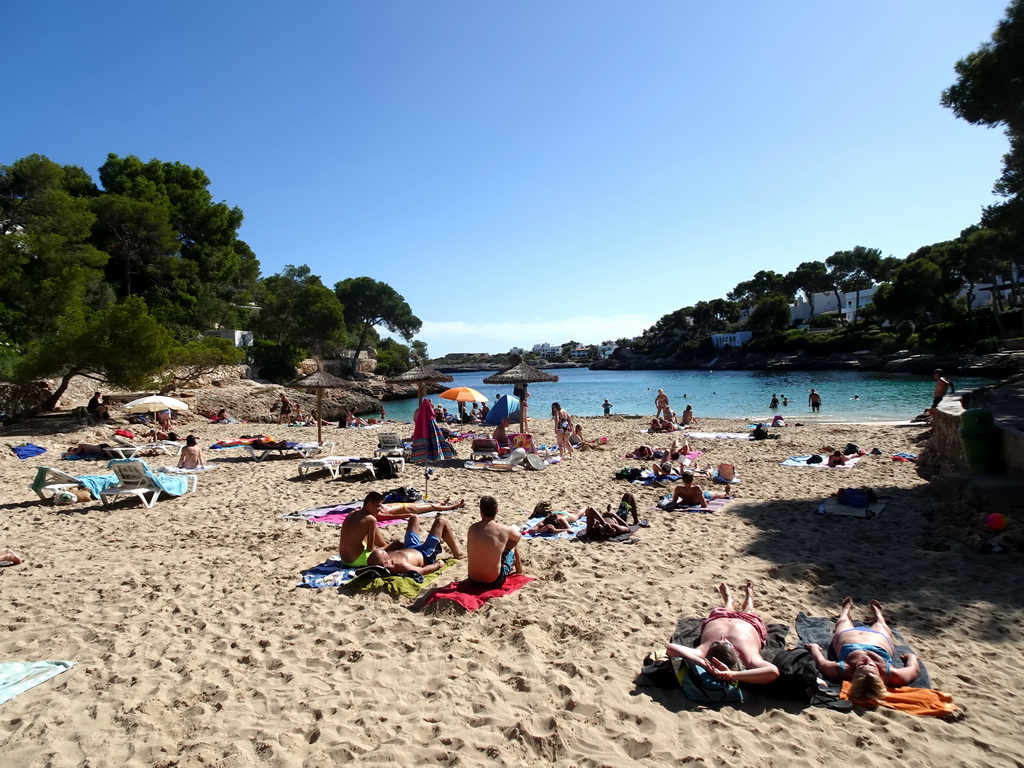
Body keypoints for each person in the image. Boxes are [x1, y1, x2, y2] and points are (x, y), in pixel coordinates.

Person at [805, 598, 920, 704]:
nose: (866, 660)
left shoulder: (843, 670)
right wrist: (911, 657)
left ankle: (846, 610)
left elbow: (821, 662)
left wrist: (814, 647)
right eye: (870, 665)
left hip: (848, 638)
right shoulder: (892, 675)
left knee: (842, 621)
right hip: (878, 639)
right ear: (879, 676)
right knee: (881, 624)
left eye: (861, 666)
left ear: (853, 675)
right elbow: (913, 670)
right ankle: (878, 615)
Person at [666, 582, 780, 684]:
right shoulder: (748, 657)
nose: (722, 638)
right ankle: (749, 598)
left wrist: (705, 664)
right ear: (735, 654)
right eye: (727, 644)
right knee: (749, 610)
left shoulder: (704, 652)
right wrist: (732, 675)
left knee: (727, 608)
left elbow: (671, 648)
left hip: (719, 618)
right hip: (748, 621)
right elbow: (773, 672)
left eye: (715, 644)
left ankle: (729, 601)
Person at [366, 514, 463, 575]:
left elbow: (396, 545)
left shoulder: (384, 558)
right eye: (384, 553)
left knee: (414, 517)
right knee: (441, 521)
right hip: (425, 553)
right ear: (384, 563)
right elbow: (422, 571)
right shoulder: (400, 565)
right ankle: (457, 554)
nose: (385, 551)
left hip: (409, 546)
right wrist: (437, 565)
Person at [467, 495, 523, 587]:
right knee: (512, 541)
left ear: (481, 512)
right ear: (497, 510)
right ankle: (519, 570)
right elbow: (518, 537)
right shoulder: (504, 529)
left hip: (472, 579)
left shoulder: (472, 528)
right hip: (494, 581)